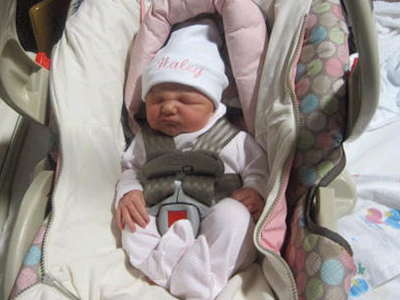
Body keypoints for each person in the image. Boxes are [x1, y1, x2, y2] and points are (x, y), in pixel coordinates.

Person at [115, 18, 269, 300]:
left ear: (213, 105)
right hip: (158, 216)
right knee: (132, 224)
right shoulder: (145, 140)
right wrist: (129, 192)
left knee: (235, 216)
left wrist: (255, 190)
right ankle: (184, 274)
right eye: (157, 100)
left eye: (185, 101)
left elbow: (257, 167)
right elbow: (130, 169)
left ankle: (192, 272)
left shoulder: (233, 138)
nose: (169, 108)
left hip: (215, 220)